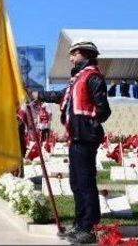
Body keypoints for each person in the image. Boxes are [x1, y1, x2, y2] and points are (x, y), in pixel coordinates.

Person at [32, 41, 111, 245]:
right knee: (76, 182)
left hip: (86, 137)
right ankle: (79, 224)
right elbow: (61, 97)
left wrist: (90, 124)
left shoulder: (92, 77)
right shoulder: (76, 80)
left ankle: (89, 228)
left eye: (73, 54)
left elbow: (104, 110)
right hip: (75, 137)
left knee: (86, 183)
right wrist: (38, 95)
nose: (70, 58)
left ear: (85, 54)